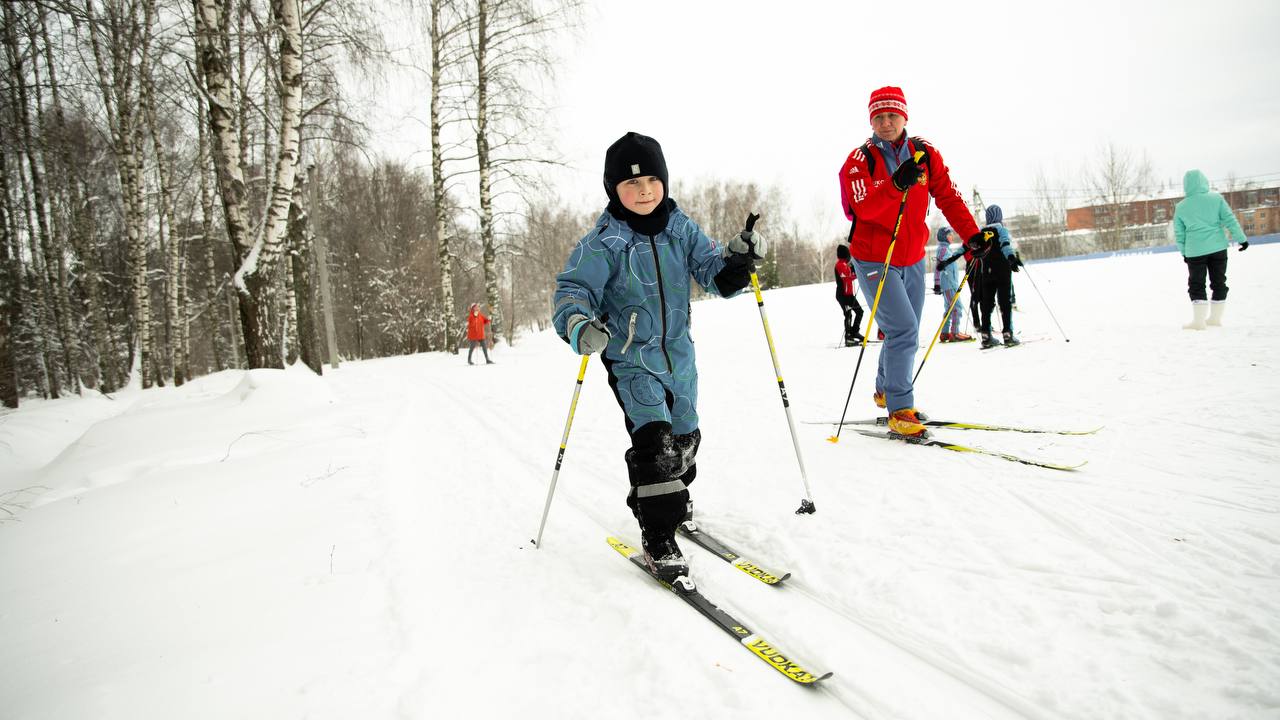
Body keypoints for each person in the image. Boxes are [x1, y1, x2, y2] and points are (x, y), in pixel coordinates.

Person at [553, 132, 764, 581]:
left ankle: (677, 495)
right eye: (631, 184)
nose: (644, 190)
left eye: (652, 179)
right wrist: (578, 325)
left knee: (685, 440)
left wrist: (736, 265)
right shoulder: (603, 242)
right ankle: (659, 533)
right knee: (656, 445)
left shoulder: (680, 228)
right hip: (632, 361)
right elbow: (572, 291)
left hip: (679, 358)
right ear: (614, 190)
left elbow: (712, 273)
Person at [838, 86, 990, 437]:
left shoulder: (925, 153)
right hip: (874, 256)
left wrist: (972, 236)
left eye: (892, 115)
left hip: (911, 256)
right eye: (878, 117)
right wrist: (895, 184)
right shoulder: (860, 161)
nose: (886, 122)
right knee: (904, 329)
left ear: (905, 116)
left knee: (902, 330)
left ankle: (884, 387)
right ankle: (900, 409)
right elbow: (865, 207)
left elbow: (948, 197)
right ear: (870, 121)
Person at [1174, 169, 1248, 329]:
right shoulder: (1216, 199)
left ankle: (1199, 322)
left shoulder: (1181, 207)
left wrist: (1184, 253)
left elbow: (1179, 234)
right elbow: (1230, 219)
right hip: (1218, 248)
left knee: (1197, 284)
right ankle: (1215, 318)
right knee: (1219, 281)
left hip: (1195, 251)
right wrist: (1242, 239)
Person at [975, 205, 1023, 348]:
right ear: (999, 216)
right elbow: (1005, 244)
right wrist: (1011, 258)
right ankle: (1008, 334)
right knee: (1005, 302)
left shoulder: (982, 232)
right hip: (1002, 271)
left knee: (986, 303)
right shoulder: (1001, 230)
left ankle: (986, 335)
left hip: (986, 273)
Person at [932, 227, 972, 342]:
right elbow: (938, 268)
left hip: (950, 284)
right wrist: (937, 284)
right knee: (956, 308)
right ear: (944, 237)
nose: (952, 236)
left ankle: (945, 333)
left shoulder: (945, 249)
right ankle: (955, 333)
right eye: (950, 234)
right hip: (948, 285)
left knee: (949, 308)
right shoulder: (943, 249)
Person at [835, 244, 865, 346]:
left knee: (859, 311)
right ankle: (848, 338)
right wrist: (857, 273)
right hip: (843, 295)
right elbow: (848, 276)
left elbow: (850, 272)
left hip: (849, 294)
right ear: (845, 255)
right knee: (848, 314)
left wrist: (855, 268)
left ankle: (854, 332)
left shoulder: (845, 264)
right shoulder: (840, 265)